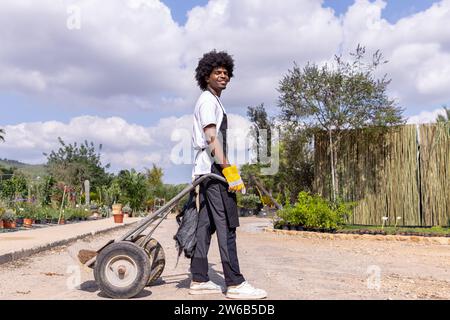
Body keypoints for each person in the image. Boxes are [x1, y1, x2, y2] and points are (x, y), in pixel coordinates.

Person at [189, 50, 267, 299]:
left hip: (208, 169)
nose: (223, 76)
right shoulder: (208, 101)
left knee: (206, 225)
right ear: (206, 75)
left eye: (226, 73)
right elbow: (212, 139)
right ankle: (234, 283)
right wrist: (230, 172)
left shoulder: (213, 100)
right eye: (217, 72)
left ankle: (200, 278)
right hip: (212, 170)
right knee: (227, 225)